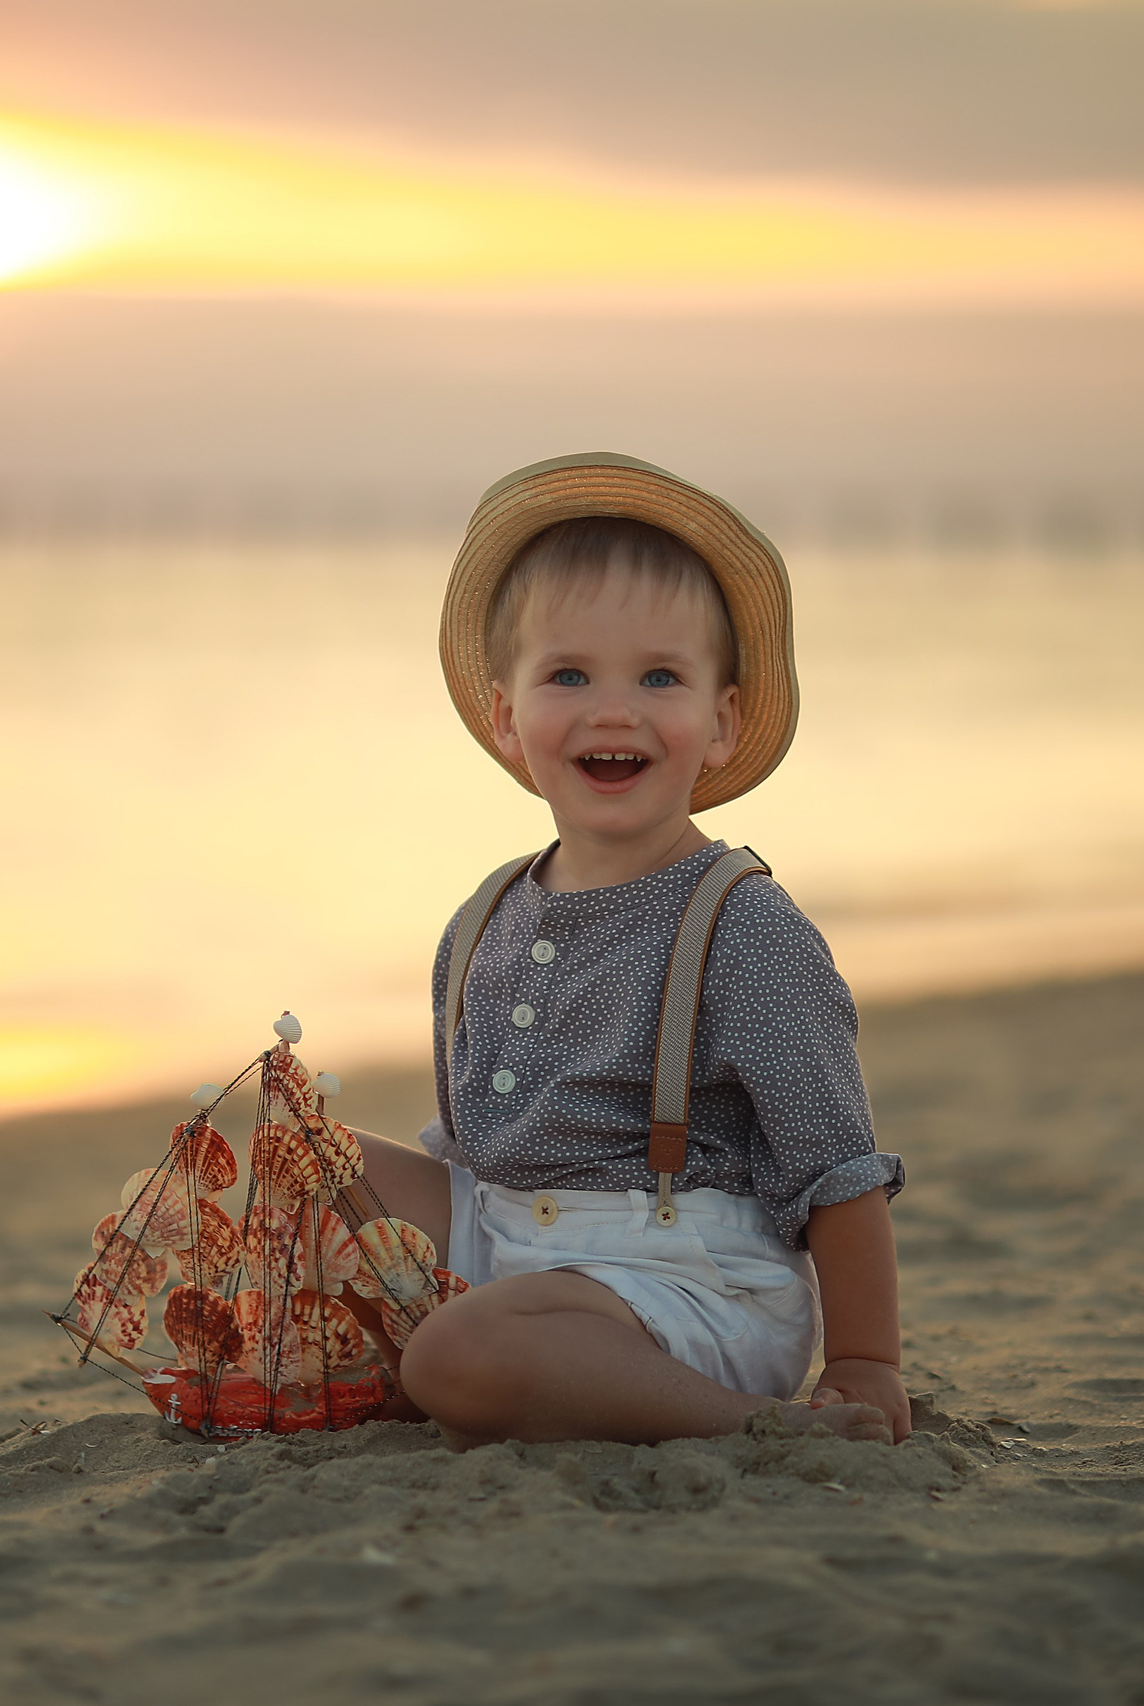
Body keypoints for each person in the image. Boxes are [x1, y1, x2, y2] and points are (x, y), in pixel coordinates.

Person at [349, 452, 906, 1449]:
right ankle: (479, 1356)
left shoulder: (742, 928)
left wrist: (864, 1360)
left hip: (687, 1280)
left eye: (659, 675)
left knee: (449, 1355)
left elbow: (837, 1167)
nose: (614, 708)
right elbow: (477, 1141)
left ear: (721, 720)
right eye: (567, 674)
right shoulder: (485, 916)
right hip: (509, 1241)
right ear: (505, 717)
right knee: (305, 1158)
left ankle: (747, 1423)